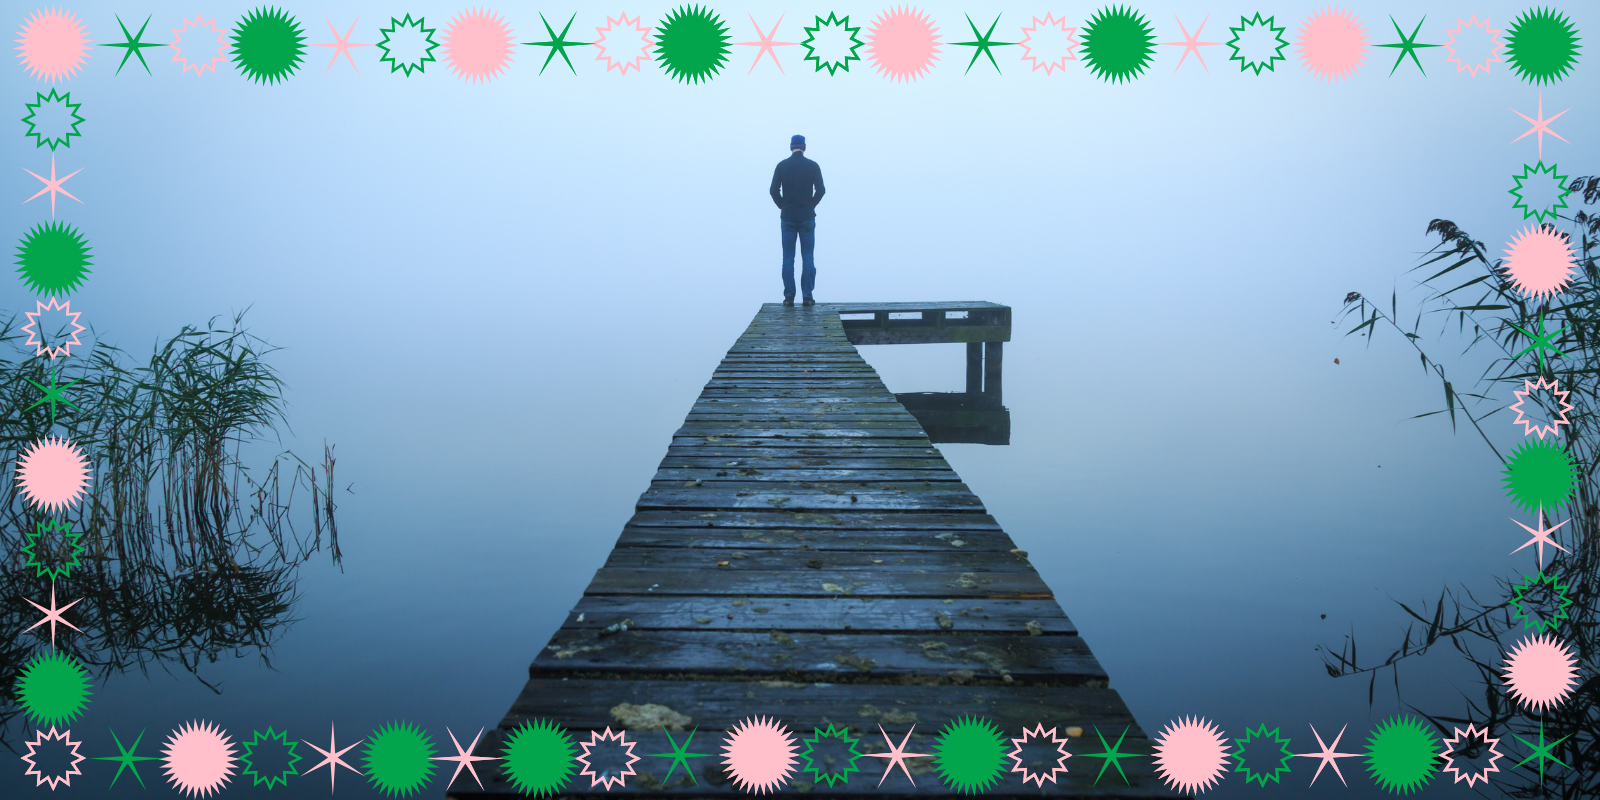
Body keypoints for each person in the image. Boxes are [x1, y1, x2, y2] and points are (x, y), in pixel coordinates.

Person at [769, 134, 825, 307]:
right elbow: (821, 190)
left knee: (788, 258)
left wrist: (783, 206)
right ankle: (807, 296)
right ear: (804, 147)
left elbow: (773, 191)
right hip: (807, 217)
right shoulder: (813, 166)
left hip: (788, 217)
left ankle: (789, 297)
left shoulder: (781, 166)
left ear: (791, 147)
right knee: (808, 257)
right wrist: (810, 206)